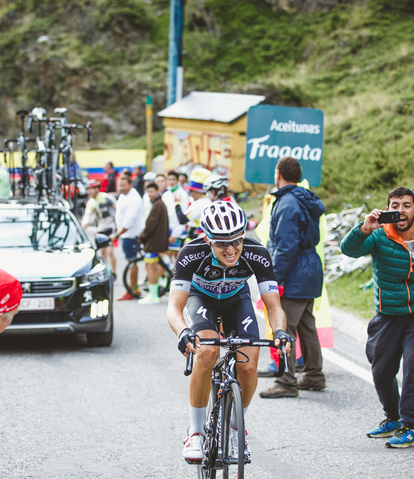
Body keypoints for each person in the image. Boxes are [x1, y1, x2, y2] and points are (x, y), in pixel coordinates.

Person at [167, 201, 292, 462]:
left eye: (236, 241)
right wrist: (183, 332)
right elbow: (174, 308)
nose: (231, 249)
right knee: (207, 351)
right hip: (201, 299)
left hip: (237, 300)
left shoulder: (257, 253)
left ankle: (236, 427)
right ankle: (196, 433)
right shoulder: (191, 253)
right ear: (208, 239)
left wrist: (280, 332)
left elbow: (273, 305)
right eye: (222, 243)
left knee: (248, 366)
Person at [341, 186, 414, 448]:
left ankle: (409, 425)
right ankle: (392, 417)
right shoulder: (379, 234)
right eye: (394, 205)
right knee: (381, 370)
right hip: (388, 314)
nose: (400, 210)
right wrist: (364, 228)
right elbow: (349, 250)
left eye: (406, 205)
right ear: (388, 209)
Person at [259, 157, 327, 398]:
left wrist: (274, 279)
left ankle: (287, 382)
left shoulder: (286, 203)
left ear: (278, 173)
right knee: (307, 325)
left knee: (284, 327)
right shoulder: (304, 197)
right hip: (311, 268)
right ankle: (314, 375)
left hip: (295, 270)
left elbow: (286, 246)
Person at [112, 175, 144, 300]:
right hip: (126, 234)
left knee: (132, 262)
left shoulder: (133, 199)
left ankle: (131, 290)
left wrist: (116, 235)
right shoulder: (124, 195)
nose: (121, 188)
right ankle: (134, 288)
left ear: (130, 184)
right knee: (130, 262)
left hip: (130, 235)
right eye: (119, 185)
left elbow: (129, 222)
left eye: (124, 185)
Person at [138, 181, 169, 305]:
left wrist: (142, 237)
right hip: (158, 242)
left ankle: (153, 295)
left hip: (153, 243)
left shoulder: (157, 205)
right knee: (154, 268)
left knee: (150, 268)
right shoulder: (160, 204)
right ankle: (154, 294)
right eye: (148, 192)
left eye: (152, 191)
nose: (149, 194)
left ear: (157, 191)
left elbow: (150, 225)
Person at [81, 180, 117, 274]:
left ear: (97, 189)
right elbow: (87, 216)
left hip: (111, 227)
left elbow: (117, 209)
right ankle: (108, 271)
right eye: (88, 190)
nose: (89, 192)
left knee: (110, 251)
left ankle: (114, 271)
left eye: (91, 189)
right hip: (101, 228)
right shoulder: (91, 202)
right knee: (103, 252)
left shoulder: (106, 197)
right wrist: (83, 225)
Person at [175, 168, 211, 240]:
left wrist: (177, 204)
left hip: (197, 236)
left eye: (192, 191)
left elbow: (182, 219)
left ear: (199, 192)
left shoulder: (199, 203)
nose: (190, 194)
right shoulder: (208, 201)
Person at [164, 171, 188, 260]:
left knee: (177, 258)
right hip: (168, 230)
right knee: (167, 256)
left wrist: (175, 234)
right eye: (169, 179)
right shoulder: (166, 194)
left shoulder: (182, 194)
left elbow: (182, 216)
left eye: (174, 179)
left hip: (177, 231)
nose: (171, 182)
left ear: (178, 180)